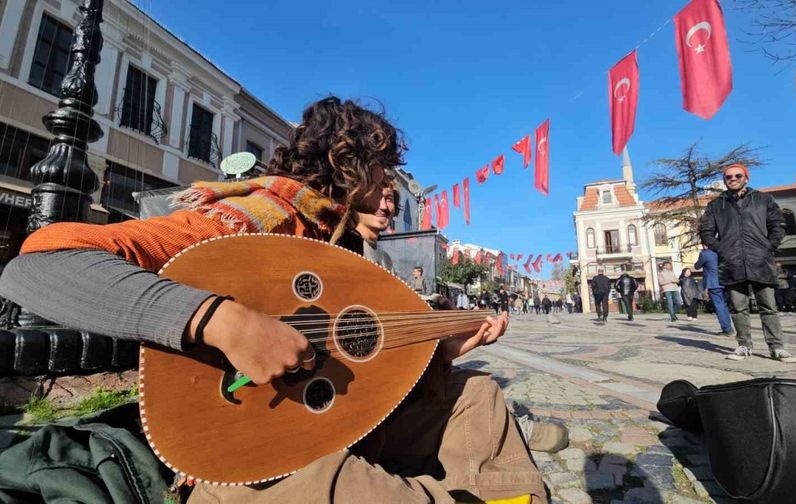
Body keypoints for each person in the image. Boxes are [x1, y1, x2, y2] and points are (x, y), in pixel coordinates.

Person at [0, 97, 553, 503]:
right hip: (247, 456)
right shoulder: (253, 223)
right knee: (342, 484)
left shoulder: (347, 253)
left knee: (477, 394)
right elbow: (40, 266)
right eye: (382, 172)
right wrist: (221, 322)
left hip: (336, 425)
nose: (390, 194)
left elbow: (357, 371)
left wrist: (439, 351)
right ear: (347, 163)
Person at [700, 163, 796, 363]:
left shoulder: (763, 199)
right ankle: (744, 345)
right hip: (732, 263)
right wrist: (722, 249)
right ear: (725, 181)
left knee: (768, 306)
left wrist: (769, 246)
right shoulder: (716, 205)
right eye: (728, 177)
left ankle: (777, 347)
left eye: (737, 176)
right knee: (738, 308)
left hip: (761, 260)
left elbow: (778, 225)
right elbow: (706, 232)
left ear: (746, 178)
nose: (733, 179)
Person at [695, 245, 733, 335]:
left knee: (719, 306)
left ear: (705, 245)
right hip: (725, 281)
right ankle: (728, 327)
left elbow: (697, 266)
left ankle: (727, 329)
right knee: (724, 305)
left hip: (714, 283)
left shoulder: (705, 254)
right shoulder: (722, 250)